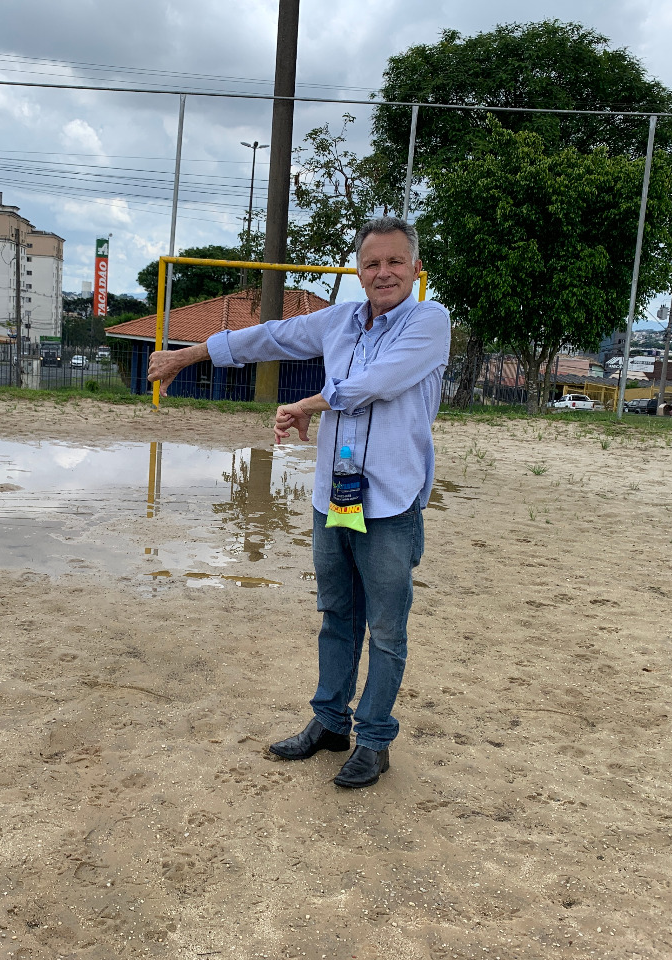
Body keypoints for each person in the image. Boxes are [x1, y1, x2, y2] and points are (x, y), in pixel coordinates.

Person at [147, 216, 451, 789]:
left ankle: (375, 738)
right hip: (336, 495)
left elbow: (374, 383)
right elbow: (270, 336)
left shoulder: (429, 322)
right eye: (371, 263)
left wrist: (308, 403)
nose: (382, 273)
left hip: (390, 504)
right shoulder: (339, 320)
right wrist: (188, 356)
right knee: (337, 615)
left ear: (413, 267)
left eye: (394, 261)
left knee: (386, 629)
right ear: (358, 271)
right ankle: (330, 723)